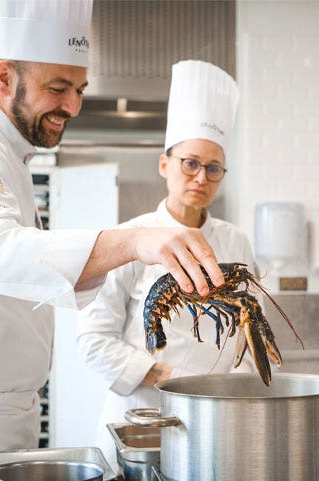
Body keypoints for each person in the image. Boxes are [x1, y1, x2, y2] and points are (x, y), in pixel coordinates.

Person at [0, 1, 223, 467]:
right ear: (4, 76)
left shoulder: (9, 155)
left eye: (78, 89)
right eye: (57, 87)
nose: (72, 106)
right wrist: (134, 241)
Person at [76, 60, 256, 468]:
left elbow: (248, 331)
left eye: (213, 168)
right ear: (164, 164)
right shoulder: (129, 238)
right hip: (141, 423)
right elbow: (93, 340)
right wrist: (169, 378)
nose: (201, 178)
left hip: (220, 421)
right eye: (189, 163)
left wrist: (231, 390)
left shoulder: (236, 241)